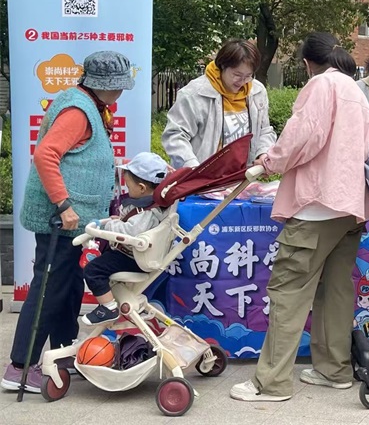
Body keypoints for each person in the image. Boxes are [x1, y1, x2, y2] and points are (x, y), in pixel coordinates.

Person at [230, 33, 369, 402]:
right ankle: (334, 369)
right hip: (349, 206)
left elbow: (303, 136)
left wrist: (269, 163)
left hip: (315, 206)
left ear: (308, 63)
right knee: (335, 291)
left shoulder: (321, 85)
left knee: (288, 292)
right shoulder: (356, 91)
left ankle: (271, 382)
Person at [2, 51, 134, 393]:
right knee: (49, 289)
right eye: (118, 86)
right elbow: (46, 154)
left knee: (69, 286)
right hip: (61, 218)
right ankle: (20, 367)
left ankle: (63, 353)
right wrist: (63, 204)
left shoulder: (91, 106)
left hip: (77, 222)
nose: (121, 92)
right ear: (102, 85)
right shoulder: (77, 110)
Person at [81, 152, 170, 326]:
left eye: (129, 186)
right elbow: (134, 225)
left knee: (93, 270)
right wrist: (120, 220)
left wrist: (110, 225)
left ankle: (108, 307)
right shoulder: (152, 206)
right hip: (135, 255)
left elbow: (131, 232)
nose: (127, 190)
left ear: (142, 188)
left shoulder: (146, 212)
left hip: (132, 258)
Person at [162, 39, 276, 168]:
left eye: (248, 76)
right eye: (237, 75)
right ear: (222, 66)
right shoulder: (194, 94)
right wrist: (192, 167)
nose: (242, 81)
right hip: (203, 176)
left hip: (242, 175)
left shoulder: (257, 91)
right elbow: (175, 135)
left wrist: (263, 153)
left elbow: (264, 130)